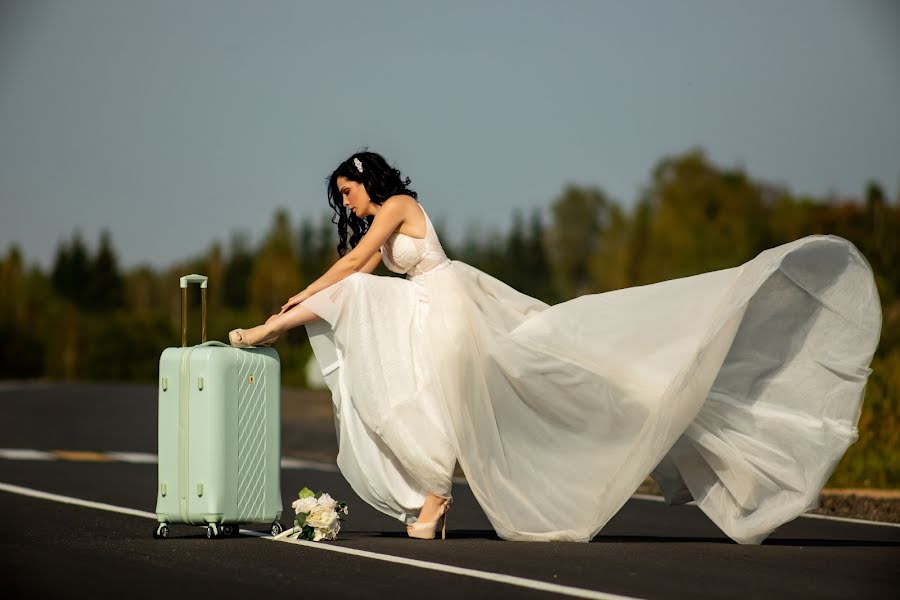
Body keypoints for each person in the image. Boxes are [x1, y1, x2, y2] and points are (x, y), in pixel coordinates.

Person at [229, 150, 882, 543]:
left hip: (450, 306)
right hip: (426, 309)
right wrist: (302, 300)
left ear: (363, 178)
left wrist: (290, 304)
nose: (348, 205)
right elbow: (358, 273)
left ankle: (434, 496)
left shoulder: (398, 203)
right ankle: (433, 497)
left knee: (479, 390)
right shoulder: (385, 210)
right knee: (437, 394)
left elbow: (360, 266)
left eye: (345, 194)